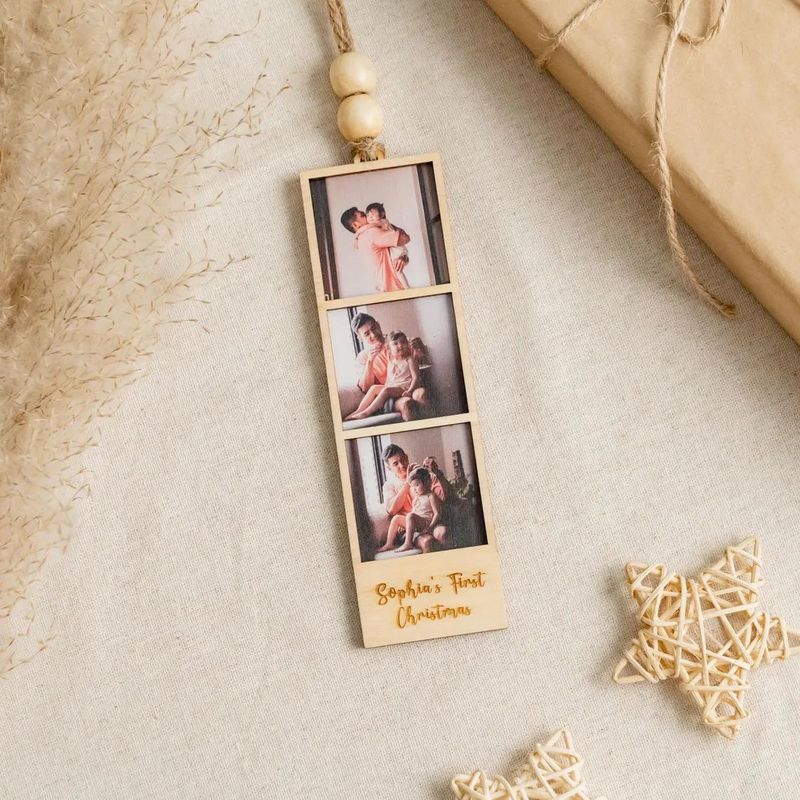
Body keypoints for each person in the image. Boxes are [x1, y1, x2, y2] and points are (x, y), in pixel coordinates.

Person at [350, 313, 429, 422]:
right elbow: (365, 388)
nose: (373, 334)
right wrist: (370, 362)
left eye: (374, 328)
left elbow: (425, 361)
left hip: (410, 386)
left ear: (378, 324)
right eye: (367, 334)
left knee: (422, 395)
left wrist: (422, 349)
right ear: (360, 338)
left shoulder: (401, 341)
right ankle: (359, 413)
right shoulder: (363, 357)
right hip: (389, 395)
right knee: (406, 404)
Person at [380, 444, 452, 554]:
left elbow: (444, 497)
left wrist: (436, 473)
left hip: (431, 521)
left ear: (407, 457)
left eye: (403, 459)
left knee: (443, 533)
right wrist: (408, 482)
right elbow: (392, 510)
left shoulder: (423, 475)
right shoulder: (389, 485)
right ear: (389, 468)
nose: (402, 465)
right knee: (427, 541)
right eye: (395, 464)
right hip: (410, 529)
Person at [345, 331, 420, 421]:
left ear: (407, 344)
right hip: (394, 387)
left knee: (386, 390)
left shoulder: (410, 359)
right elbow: (389, 379)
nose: (400, 346)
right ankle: (358, 411)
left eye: (403, 342)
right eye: (395, 344)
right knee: (374, 388)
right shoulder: (392, 361)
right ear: (389, 348)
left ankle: (367, 412)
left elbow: (415, 377)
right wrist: (385, 387)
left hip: (404, 388)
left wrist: (410, 391)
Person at [340, 207, 410, 294]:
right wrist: (383, 221)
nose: (369, 216)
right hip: (393, 289)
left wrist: (404, 257)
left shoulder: (361, 238)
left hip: (386, 289)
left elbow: (392, 254)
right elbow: (405, 238)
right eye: (363, 215)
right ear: (355, 225)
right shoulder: (371, 233)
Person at [377, 467, 444, 553]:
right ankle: (389, 544)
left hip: (426, 522)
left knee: (410, 515)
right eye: (413, 486)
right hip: (417, 523)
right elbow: (414, 511)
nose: (414, 489)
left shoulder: (431, 496)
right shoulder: (416, 498)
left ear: (427, 482)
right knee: (396, 518)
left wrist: (430, 527)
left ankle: (408, 543)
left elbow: (437, 513)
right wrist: (407, 523)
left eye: (417, 485)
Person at [365, 202, 409, 290]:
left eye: (373, 214)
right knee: (396, 270)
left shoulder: (381, 222)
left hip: (396, 250)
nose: (370, 217)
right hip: (397, 249)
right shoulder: (383, 223)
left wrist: (360, 232)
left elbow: (405, 238)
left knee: (397, 270)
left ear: (382, 214)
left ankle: (407, 287)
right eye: (368, 215)